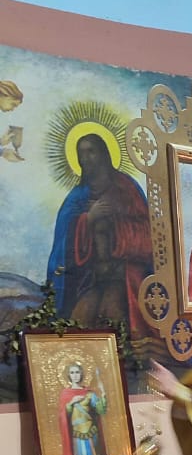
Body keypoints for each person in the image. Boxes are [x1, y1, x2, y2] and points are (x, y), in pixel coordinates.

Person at [47, 133, 153, 336]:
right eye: (81, 153)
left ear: (104, 154)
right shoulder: (77, 196)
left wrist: (115, 226)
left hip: (122, 275)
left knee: (112, 314)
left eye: (91, 151)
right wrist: (88, 219)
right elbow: (64, 237)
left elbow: (148, 232)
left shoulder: (126, 188)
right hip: (90, 279)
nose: (85, 158)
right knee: (79, 319)